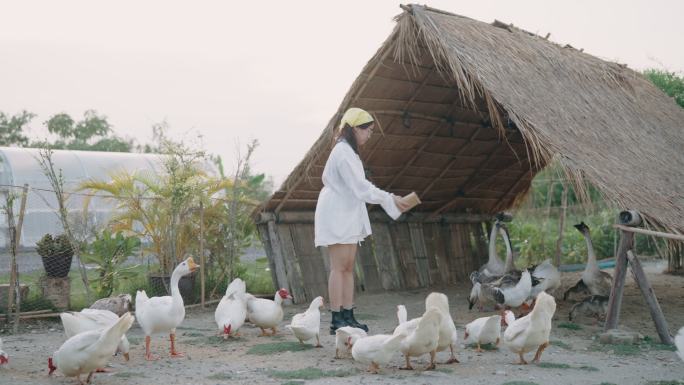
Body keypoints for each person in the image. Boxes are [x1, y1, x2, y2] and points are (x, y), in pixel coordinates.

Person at [314, 107, 412, 334]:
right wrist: (390, 198)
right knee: (338, 267)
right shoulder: (342, 152)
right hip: (336, 211)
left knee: (348, 267)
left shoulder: (349, 152)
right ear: (354, 129)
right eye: (367, 130)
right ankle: (337, 319)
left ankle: (348, 315)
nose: (369, 134)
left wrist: (389, 199)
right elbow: (361, 187)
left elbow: (359, 188)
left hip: (348, 211)